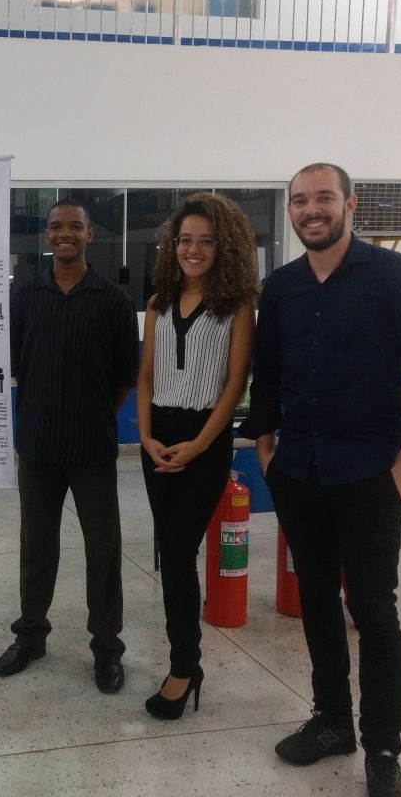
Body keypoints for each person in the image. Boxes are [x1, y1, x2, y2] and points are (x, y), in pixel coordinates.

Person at [240, 164, 401, 797]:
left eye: (324, 198)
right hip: (298, 471)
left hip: (369, 476)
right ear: (291, 211)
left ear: (350, 204)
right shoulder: (281, 287)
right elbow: (267, 375)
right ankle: (332, 720)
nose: (312, 209)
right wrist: (266, 448)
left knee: (373, 610)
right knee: (315, 600)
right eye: (300, 200)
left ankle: (383, 748)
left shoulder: (398, 279)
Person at [0, 198, 139, 693]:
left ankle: (107, 648)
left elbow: (124, 375)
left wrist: (92, 413)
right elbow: (14, 364)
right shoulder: (25, 297)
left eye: (75, 226)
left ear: (89, 234)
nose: (65, 234)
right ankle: (30, 636)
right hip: (37, 446)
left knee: (103, 550)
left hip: (92, 446)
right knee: (36, 547)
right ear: (47, 236)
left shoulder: (113, 300)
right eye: (56, 227)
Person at [136, 193, 258, 720]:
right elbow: (146, 376)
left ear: (224, 247)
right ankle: (185, 661)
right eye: (185, 239)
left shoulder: (237, 306)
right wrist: (145, 438)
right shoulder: (159, 303)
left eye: (206, 241)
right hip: (158, 438)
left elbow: (235, 384)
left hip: (204, 439)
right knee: (171, 552)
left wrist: (201, 444)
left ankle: (184, 667)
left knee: (179, 549)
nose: (193, 249)